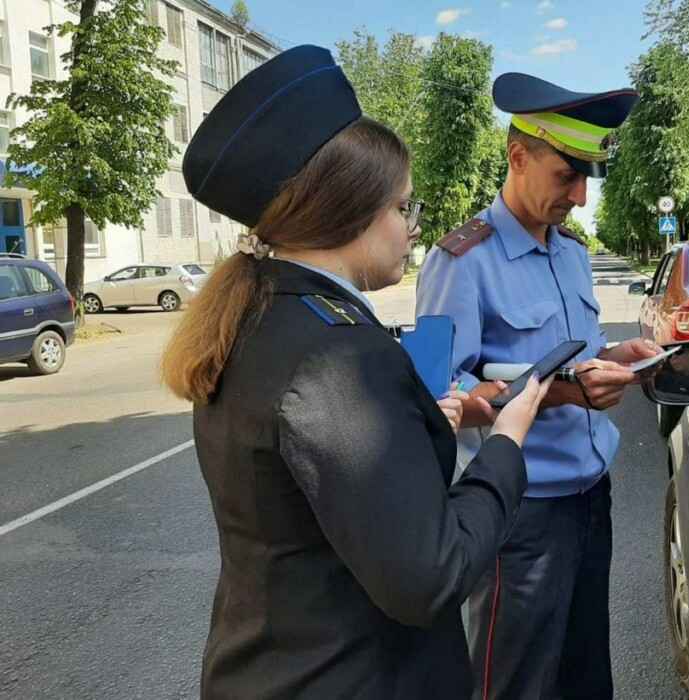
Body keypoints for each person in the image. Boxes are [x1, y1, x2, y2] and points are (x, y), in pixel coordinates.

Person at [160, 45, 551, 699]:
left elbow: (315, 494)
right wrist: (507, 443)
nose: (410, 228)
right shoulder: (337, 356)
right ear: (352, 211)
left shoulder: (259, 321)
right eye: (403, 208)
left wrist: (430, 423)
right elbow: (428, 575)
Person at [415, 72, 660, 700]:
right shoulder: (459, 259)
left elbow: (566, 355)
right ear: (518, 156)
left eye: (587, 178)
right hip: (519, 515)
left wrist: (614, 356)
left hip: (590, 500)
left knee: (585, 678)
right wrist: (563, 394)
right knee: (516, 685)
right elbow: (429, 399)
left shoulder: (571, 254)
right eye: (566, 175)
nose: (579, 195)